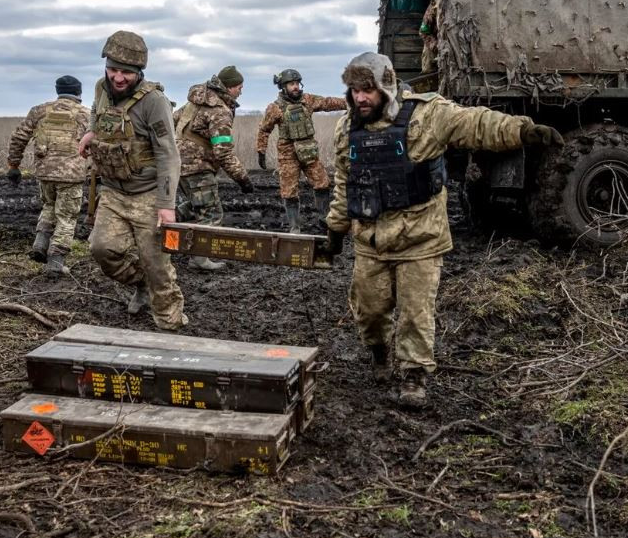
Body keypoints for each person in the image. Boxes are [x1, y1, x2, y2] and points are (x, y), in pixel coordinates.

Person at [322, 52, 563, 409]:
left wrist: (523, 131)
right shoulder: (347, 128)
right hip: (371, 240)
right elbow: (345, 182)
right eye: (355, 90)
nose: (360, 98)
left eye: (367, 90)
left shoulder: (427, 114)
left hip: (421, 238)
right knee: (369, 312)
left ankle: (414, 376)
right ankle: (379, 353)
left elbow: (475, 124)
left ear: (385, 86)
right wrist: (335, 230)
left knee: (416, 312)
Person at [77, 30, 187, 330]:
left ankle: (170, 324)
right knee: (102, 250)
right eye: (113, 70)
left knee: (158, 266)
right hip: (113, 191)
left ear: (139, 72)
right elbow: (96, 114)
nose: (118, 78)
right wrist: (92, 132)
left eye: (126, 72)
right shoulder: (102, 87)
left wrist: (166, 205)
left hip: (149, 194)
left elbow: (169, 154)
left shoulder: (154, 102)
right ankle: (141, 283)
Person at [7, 75, 90, 276]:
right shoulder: (86, 114)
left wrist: (14, 165)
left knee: (49, 206)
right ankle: (55, 262)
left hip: (45, 172)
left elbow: (19, 137)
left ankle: (40, 244)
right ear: (78, 93)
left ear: (58, 90)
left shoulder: (39, 111)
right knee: (67, 217)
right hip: (71, 175)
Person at [175, 65, 254, 271]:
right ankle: (200, 260)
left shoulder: (195, 101)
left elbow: (173, 122)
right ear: (228, 88)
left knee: (194, 206)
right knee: (211, 212)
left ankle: (161, 225)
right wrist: (243, 179)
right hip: (197, 167)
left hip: (177, 164)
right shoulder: (220, 112)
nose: (241, 91)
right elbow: (223, 152)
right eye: (238, 87)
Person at [256, 69, 346, 233]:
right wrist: (261, 151)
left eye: (297, 83)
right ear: (283, 87)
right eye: (292, 84)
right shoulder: (275, 108)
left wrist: (350, 102)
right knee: (289, 191)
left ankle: (323, 219)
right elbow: (264, 130)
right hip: (287, 154)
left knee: (322, 184)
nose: (296, 87)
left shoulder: (308, 100)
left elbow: (328, 102)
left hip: (309, 151)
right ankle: (294, 227)